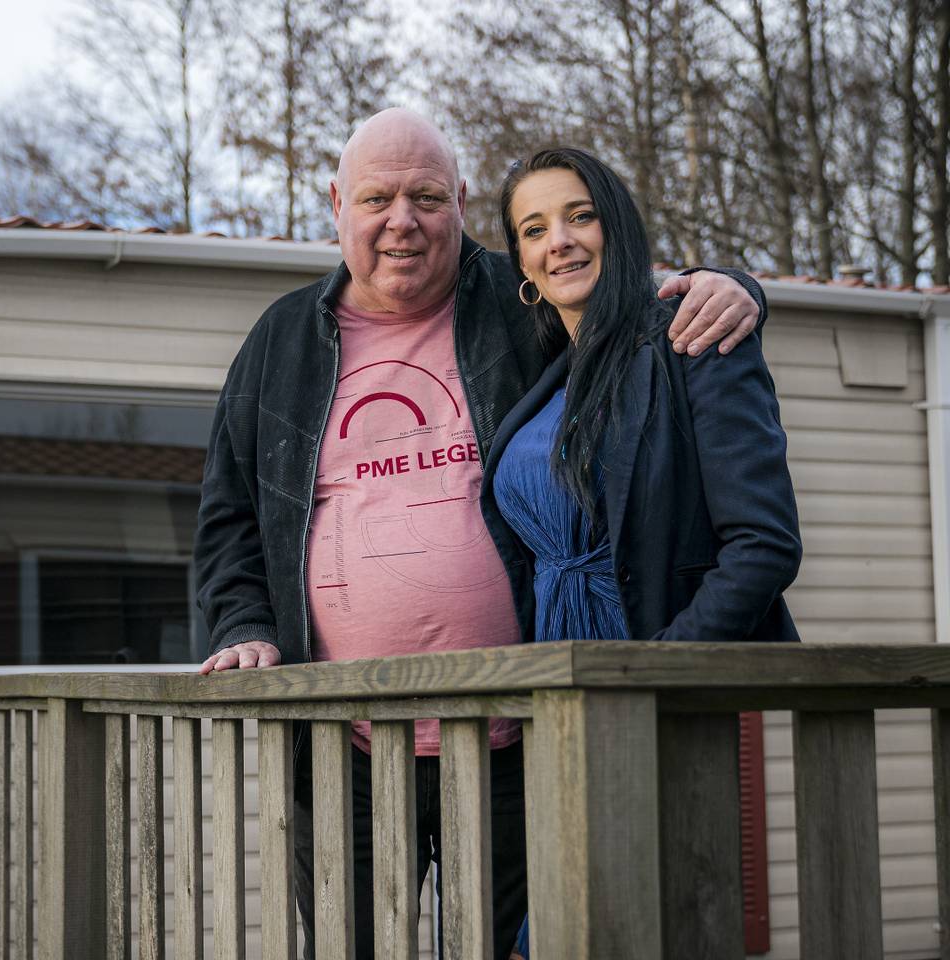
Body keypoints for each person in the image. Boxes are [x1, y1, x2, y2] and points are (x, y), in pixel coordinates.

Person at [194, 108, 767, 960]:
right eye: (377, 198)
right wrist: (242, 625)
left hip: (517, 734)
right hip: (344, 745)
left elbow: (628, 305)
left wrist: (732, 283)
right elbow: (230, 515)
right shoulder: (280, 341)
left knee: (525, 945)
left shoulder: (521, 297)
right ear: (336, 203)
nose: (403, 221)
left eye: (427, 197)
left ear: (460, 202)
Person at [480, 148, 801, 960]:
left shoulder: (690, 336)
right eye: (535, 227)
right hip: (547, 714)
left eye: (580, 214)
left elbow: (763, 546)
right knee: (547, 931)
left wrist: (652, 673)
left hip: (656, 704)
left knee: (646, 928)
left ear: (617, 225)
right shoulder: (545, 380)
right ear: (519, 261)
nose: (561, 240)